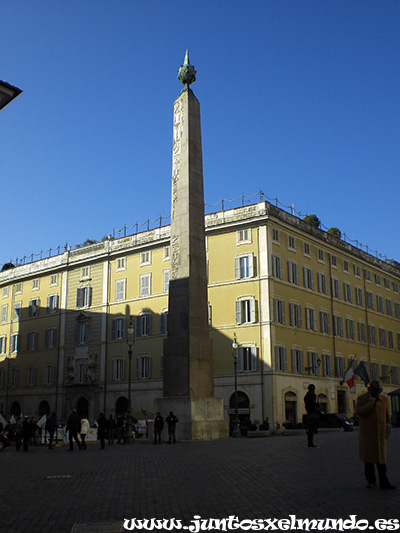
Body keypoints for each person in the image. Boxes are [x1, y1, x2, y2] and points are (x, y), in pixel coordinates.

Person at [356, 380, 395, 490]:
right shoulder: (362, 399)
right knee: (368, 460)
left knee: (381, 460)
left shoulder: (384, 400)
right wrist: (370, 404)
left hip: (380, 434)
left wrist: (388, 426)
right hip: (368, 434)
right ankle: (371, 481)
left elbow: (387, 416)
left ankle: (384, 481)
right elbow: (360, 412)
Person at [304, 384, 320, 448]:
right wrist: (317, 405)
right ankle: (310, 443)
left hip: (309, 413)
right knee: (311, 428)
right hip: (312, 413)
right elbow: (312, 404)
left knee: (310, 428)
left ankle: (310, 442)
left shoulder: (306, 396)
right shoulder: (312, 396)